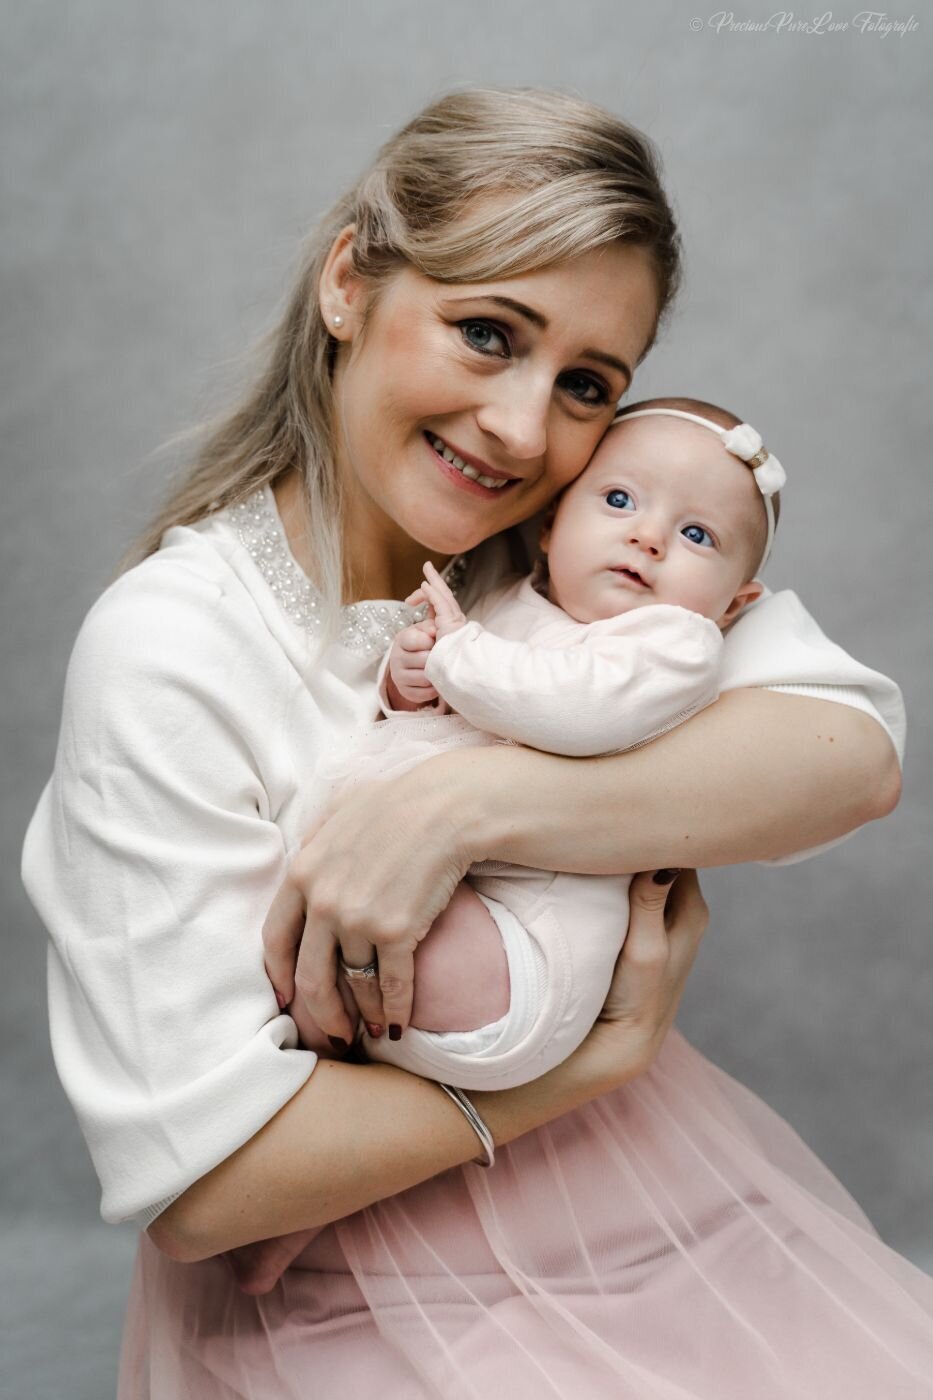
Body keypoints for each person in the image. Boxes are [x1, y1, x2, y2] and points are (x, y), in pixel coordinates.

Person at [20, 89, 933, 1397]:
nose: (520, 429)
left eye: (584, 386)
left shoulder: (586, 548)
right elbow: (213, 1189)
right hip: (339, 1287)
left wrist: (458, 808)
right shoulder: (174, 646)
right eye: (484, 332)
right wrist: (587, 1068)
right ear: (350, 282)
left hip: (635, 1209)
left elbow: (850, 757)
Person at [281, 397, 784, 1088]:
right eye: (618, 500)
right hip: (434, 897)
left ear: (733, 604)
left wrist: (458, 658)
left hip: (523, 948)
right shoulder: (513, 600)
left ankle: (330, 1022)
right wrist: (410, 683)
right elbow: (441, 721)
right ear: (550, 527)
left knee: (367, 932)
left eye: (697, 535)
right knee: (320, 916)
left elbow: (573, 711)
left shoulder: (673, 644)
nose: (649, 538)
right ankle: (313, 1031)